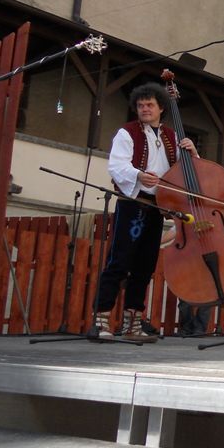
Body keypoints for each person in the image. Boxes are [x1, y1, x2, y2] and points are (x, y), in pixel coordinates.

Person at [96, 83, 198, 342]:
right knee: (119, 261)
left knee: (145, 265)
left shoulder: (171, 137)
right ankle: (101, 319)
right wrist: (139, 175)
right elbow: (116, 165)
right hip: (133, 202)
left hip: (157, 206)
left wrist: (192, 153)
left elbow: (186, 171)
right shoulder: (127, 132)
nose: (144, 109)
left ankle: (132, 324)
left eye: (150, 105)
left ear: (161, 107)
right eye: (140, 105)